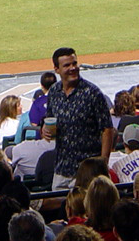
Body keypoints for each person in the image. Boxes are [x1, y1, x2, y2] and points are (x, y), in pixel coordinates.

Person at [45, 47, 114, 188]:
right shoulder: (53, 92)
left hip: (88, 171)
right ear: (57, 69)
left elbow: (107, 129)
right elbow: (50, 120)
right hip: (62, 169)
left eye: (74, 63)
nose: (73, 68)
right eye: (67, 65)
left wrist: (103, 163)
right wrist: (45, 131)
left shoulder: (92, 93)